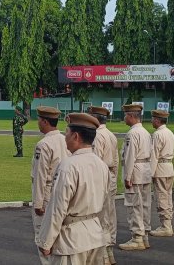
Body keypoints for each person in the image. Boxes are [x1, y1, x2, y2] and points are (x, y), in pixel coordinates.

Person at [36, 113, 109, 264]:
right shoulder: (101, 164)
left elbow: (57, 208)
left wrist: (45, 241)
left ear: (76, 136)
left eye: (67, 132)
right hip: (95, 233)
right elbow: (105, 204)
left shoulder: (68, 166)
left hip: (72, 239)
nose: (64, 137)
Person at [31, 106, 70, 265]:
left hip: (46, 194)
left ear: (45, 121)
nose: (38, 123)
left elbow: (40, 175)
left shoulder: (43, 144)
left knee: (43, 238)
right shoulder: (64, 139)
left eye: (39, 120)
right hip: (62, 191)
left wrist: (38, 203)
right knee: (59, 237)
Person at [118, 104, 153, 251]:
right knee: (144, 205)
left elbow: (130, 156)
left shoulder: (132, 134)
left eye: (126, 115)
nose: (124, 117)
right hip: (145, 169)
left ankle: (137, 237)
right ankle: (144, 235)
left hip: (135, 171)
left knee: (134, 206)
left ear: (132, 116)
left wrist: (127, 176)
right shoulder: (145, 132)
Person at [88, 106, 118, 264]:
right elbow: (117, 160)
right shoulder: (110, 135)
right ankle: (109, 253)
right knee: (109, 216)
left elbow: (96, 161)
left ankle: (104, 255)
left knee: (100, 217)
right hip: (110, 176)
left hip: (101, 178)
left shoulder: (97, 135)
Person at [149, 109, 174, 238]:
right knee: (168, 196)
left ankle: (165, 226)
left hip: (160, 168)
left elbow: (154, 155)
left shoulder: (157, 134)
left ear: (158, 120)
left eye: (153, 119)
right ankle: (167, 223)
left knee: (162, 197)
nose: (151, 121)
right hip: (169, 167)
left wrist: (150, 173)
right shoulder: (169, 132)